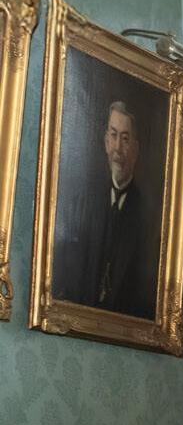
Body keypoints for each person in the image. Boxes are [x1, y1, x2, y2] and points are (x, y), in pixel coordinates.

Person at [53, 98, 157, 317]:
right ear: (106, 142)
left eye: (125, 139)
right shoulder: (83, 202)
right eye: (113, 135)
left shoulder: (148, 216)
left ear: (135, 149)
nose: (117, 148)